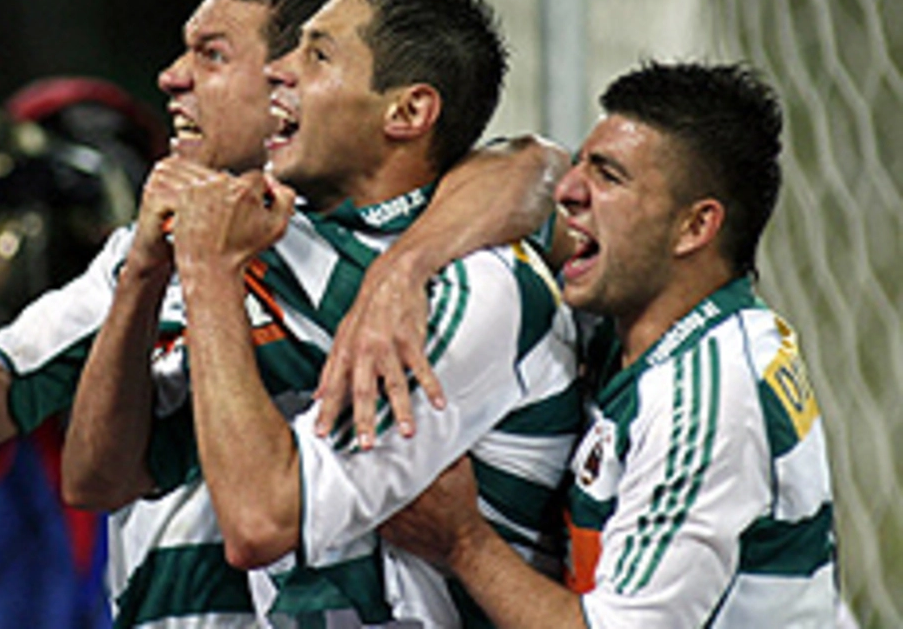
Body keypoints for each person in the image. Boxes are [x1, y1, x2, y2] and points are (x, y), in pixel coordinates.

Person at [0, 0, 563, 626]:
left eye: (213, 54)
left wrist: (404, 265)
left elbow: (540, 168)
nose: (169, 78)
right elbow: (67, 459)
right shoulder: (167, 246)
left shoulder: (458, 268)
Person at [72, 0, 580, 625]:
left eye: (316, 55)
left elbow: (261, 523)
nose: (277, 71)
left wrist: (209, 272)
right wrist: (144, 271)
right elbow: (99, 477)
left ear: (407, 111)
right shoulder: (276, 240)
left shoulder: (480, 287)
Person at [355, 61, 839, 627]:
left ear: (693, 228)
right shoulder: (638, 326)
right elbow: (523, 169)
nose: (568, 191)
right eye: (581, 163)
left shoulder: (706, 397)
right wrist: (405, 269)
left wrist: (463, 542)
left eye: (608, 177)